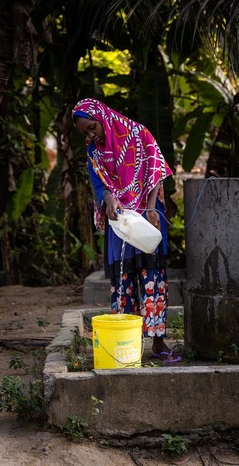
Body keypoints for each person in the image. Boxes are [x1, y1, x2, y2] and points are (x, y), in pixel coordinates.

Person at [72, 98, 181, 362]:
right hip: (119, 221)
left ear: (102, 117)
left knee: (152, 278)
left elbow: (155, 168)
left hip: (147, 217)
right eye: (85, 132)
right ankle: (126, 343)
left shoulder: (137, 133)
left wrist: (153, 207)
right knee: (122, 283)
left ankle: (158, 342)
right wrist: (108, 197)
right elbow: (98, 184)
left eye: (92, 128)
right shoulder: (93, 151)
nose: (90, 135)